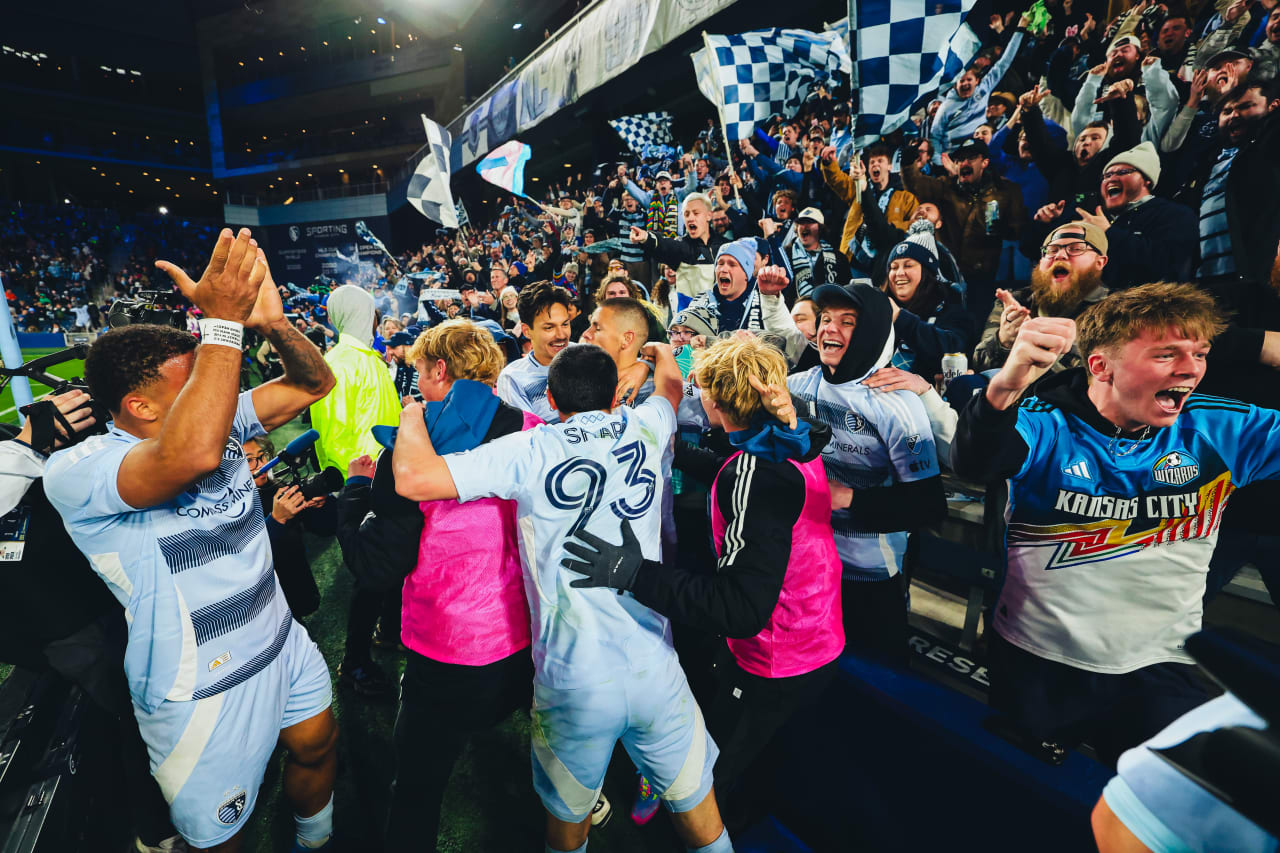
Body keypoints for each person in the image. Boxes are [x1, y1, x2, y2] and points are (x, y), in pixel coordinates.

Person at [45, 228, 339, 852]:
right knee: (219, 840)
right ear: (140, 407)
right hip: (202, 690)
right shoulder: (80, 470)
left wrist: (275, 327)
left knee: (318, 748)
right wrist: (224, 326)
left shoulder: (216, 415)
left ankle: (316, 842)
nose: (220, 390)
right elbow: (194, 454)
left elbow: (315, 385)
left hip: (281, 640)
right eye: (195, 381)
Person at [392, 343, 733, 853]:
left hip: (574, 683)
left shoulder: (532, 449)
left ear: (550, 397)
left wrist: (412, 415)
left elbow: (413, 478)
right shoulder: (644, 425)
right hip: (656, 670)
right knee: (704, 824)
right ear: (614, 396)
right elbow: (670, 388)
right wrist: (660, 351)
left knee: (567, 836)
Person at [950, 281, 1280, 765]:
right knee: (1025, 797)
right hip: (1036, 660)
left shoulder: (1220, 427)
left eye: (1201, 353)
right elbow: (976, 463)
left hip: (1161, 666)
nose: (1191, 370)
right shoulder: (1046, 421)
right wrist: (1004, 387)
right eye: (1167, 355)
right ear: (1100, 365)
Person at [561, 336, 843, 830]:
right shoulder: (789, 437)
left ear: (714, 399)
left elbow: (739, 608)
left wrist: (632, 572)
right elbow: (753, 474)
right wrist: (681, 453)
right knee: (755, 765)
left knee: (706, 783)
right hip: (815, 638)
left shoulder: (758, 471)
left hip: (774, 657)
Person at [333, 320, 538, 850]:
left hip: (448, 648)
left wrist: (355, 491)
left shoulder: (407, 454)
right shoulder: (536, 427)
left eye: (420, 372)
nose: (417, 383)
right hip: (530, 635)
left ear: (440, 370)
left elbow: (376, 566)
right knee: (549, 776)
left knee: (418, 791)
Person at [0, 389, 180, 853]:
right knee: (135, 712)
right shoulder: (14, 448)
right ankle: (156, 826)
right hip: (55, 620)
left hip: (83, 600)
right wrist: (30, 445)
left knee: (138, 703)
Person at [780, 283, 946, 661]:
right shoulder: (796, 387)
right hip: (806, 562)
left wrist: (849, 498)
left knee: (876, 678)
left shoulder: (895, 404)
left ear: (871, 332)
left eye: (847, 322)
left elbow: (928, 506)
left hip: (869, 572)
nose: (828, 329)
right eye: (824, 320)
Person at [309, 283, 402, 700]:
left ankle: (386, 633)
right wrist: (359, 487)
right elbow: (332, 437)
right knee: (368, 578)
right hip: (366, 487)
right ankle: (355, 663)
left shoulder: (366, 359)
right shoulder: (340, 363)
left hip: (383, 481)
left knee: (385, 571)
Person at [1031, 141, 1196, 290]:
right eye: (1106, 175)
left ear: (1146, 180)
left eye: (1123, 172)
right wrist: (1047, 224)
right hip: (1103, 313)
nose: (1111, 179)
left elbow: (1167, 263)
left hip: (1155, 313)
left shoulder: (1175, 214)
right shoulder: (1098, 217)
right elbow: (1033, 252)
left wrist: (1109, 233)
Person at [972, 221, 1109, 376]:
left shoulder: (1114, 309)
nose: (1060, 255)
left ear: (1100, 262)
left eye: (1075, 249)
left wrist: (1033, 343)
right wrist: (1004, 340)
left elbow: (1093, 375)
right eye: (1051, 250)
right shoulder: (1016, 302)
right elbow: (979, 365)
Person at [244, 436, 333, 620]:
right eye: (249, 460)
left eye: (262, 456)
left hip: (294, 590)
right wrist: (276, 520)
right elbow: (248, 560)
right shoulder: (226, 509)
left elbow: (325, 528)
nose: (260, 465)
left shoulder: (277, 488)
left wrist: (322, 505)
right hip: (262, 608)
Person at [878, 223, 974, 381]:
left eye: (908, 265)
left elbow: (953, 349)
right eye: (893, 268)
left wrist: (901, 319)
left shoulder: (952, 312)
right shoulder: (881, 311)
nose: (899, 273)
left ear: (928, 273)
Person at [930, 14, 1029, 156]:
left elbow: (1004, 62)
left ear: (977, 81)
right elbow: (934, 138)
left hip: (980, 156)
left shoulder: (984, 88)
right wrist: (942, 164)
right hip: (955, 161)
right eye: (961, 81)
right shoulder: (945, 108)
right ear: (954, 85)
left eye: (968, 80)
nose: (965, 83)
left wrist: (1020, 28)